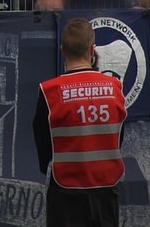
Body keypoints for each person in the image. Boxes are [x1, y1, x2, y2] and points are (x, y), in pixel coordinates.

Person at [34, 17, 126, 227]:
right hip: (106, 186)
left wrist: (46, 164)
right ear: (93, 50)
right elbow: (118, 137)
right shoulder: (115, 88)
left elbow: (42, 140)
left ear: (62, 49)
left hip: (66, 188)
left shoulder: (50, 91)